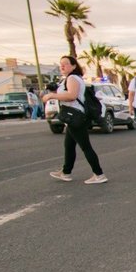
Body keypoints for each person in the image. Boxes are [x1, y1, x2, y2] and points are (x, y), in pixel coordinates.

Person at [43, 55, 107, 184]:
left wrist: (51, 95)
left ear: (73, 66)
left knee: (85, 147)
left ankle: (99, 174)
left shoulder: (72, 78)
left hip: (76, 117)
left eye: (65, 64)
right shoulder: (69, 78)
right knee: (69, 145)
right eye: (61, 64)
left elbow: (72, 96)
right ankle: (66, 172)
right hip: (73, 117)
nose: (62, 66)